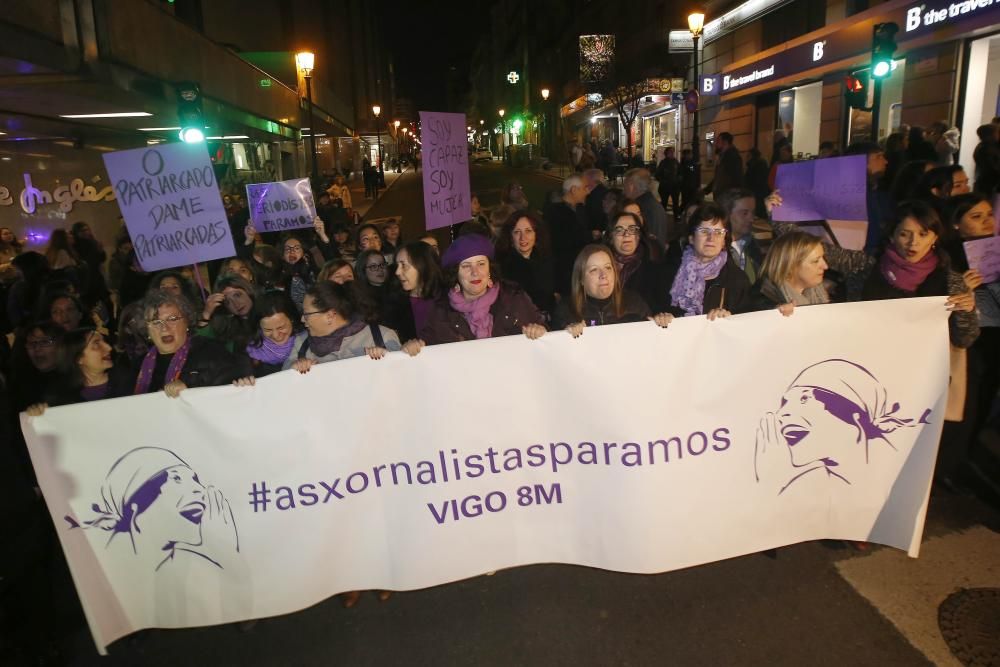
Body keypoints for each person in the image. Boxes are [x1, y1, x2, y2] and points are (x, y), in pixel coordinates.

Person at [767, 196, 979, 348]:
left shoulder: (951, 282)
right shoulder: (864, 265)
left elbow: (964, 339)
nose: (914, 242)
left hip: (918, 378)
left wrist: (965, 310)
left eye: (923, 234)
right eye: (905, 234)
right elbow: (808, 249)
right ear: (892, 235)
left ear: (934, 238)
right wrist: (776, 214)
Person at [753, 359, 929, 495]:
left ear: (856, 418)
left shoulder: (893, 483)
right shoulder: (810, 488)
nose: (782, 414)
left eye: (805, 399)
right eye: (785, 402)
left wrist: (773, 484)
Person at [67, 446, 240, 573]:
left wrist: (225, 555)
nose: (200, 489)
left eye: (195, 479)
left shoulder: (193, 568)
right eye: (177, 479)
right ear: (135, 509)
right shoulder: (112, 574)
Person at [418, 233, 546, 346]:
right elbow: (427, 350)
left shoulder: (514, 298)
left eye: (481, 264)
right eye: (466, 266)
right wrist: (415, 347)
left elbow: (546, 336)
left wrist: (539, 332)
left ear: (490, 268)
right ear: (455, 274)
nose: (475, 272)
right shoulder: (440, 310)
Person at [133, 290, 248, 397]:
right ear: (146, 329)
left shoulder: (212, 352)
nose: (164, 328)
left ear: (186, 322)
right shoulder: (134, 368)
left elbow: (230, 395)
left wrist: (191, 391)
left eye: (172, 319)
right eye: (156, 322)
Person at [552, 244, 673, 334]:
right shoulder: (566, 310)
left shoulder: (635, 303)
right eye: (594, 270)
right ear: (581, 279)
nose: (603, 275)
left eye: (608, 268)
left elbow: (654, 342)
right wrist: (566, 335)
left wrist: (663, 323)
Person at [285, 281, 400, 371]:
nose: (302, 319)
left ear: (330, 316)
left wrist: (387, 359)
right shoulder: (301, 344)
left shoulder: (381, 337)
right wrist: (294, 369)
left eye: (307, 314)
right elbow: (282, 381)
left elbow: (402, 376)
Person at [665, 202, 751, 318]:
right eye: (704, 231)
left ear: (724, 241)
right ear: (691, 238)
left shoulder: (737, 280)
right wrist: (661, 317)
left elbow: (746, 324)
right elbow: (653, 310)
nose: (711, 238)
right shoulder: (669, 273)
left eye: (718, 232)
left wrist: (730, 319)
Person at [26, 328, 131, 412]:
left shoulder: (130, 381)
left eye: (104, 342)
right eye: (96, 344)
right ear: (78, 358)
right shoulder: (59, 397)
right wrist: (40, 415)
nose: (108, 347)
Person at [746, 232, 829, 314]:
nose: (825, 266)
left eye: (823, 258)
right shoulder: (762, 300)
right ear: (790, 266)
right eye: (816, 261)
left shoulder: (820, 293)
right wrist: (775, 312)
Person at [603, 212, 670, 313]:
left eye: (632, 229)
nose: (626, 234)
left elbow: (662, 308)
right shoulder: (600, 267)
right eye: (619, 230)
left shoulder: (655, 271)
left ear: (638, 236)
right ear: (611, 238)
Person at [495, 210, 555, 316]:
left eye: (528, 231)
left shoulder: (547, 259)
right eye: (517, 232)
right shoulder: (503, 266)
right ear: (510, 237)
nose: (523, 238)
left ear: (536, 234)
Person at [545, 175, 592, 298]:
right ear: (574, 190)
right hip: (566, 272)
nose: (587, 191)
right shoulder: (555, 214)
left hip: (579, 267)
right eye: (584, 188)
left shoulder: (580, 210)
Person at [393, 240, 444, 342]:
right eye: (397, 265)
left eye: (404, 265)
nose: (397, 272)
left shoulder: (449, 299)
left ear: (423, 265)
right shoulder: (395, 304)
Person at [245, 291, 305, 377]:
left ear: (292, 319)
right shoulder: (254, 348)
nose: (276, 335)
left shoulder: (307, 340)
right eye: (268, 330)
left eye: (281, 327)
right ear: (259, 327)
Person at [196, 274, 258, 352]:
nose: (236, 303)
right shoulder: (227, 332)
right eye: (227, 302)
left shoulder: (269, 312)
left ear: (248, 291)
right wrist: (206, 313)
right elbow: (201, 342)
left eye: (237, 295)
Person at [718, 188, 764, 284]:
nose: (751, 219)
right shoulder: (715, 250)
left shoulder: (753, 246)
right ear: (727, 214)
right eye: (744, 213)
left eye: (753, 213)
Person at [623, 168, 670, 247]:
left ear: (632, 186)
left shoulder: (639, 207)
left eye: (625, 185)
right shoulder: (653, 203)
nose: (623, 190)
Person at [278, 233, 316, 311]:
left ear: (303, 253)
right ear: (283, 255)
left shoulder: (313, 272)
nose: (292, 252)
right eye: (288, 249)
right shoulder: (278, 275)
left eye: (297, 248)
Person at [706, 132, 744, 200]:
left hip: (727, 198)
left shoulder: (732, 157)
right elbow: (718, 178)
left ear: (725, 142)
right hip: (722, 196)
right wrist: (706, 190)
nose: (715, 144)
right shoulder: (723, 157)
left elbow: (736, 178)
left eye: (718, 141)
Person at [973, 123, 1000, 195]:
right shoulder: (988, 149)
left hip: (986, 183)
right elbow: (994, 167)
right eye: (997, 132)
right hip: (990, 185)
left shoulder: (982, 146)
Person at [583, 169, 610, 239]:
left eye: (583, 179)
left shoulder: (594, 196)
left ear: (590, 180)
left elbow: (594, 218)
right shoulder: (605, 192)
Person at [655, 146, 681, 221]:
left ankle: (676, 217)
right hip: (665, 187)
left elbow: (680, 172)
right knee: (664, 203)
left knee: (675, 203)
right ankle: (662, 218)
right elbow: (657, 175)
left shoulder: (676, 162)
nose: (672, 153)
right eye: (670, 152)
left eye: (673, 152)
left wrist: (678, 180)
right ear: (666, 153)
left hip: (674, 186)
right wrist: (664, 181)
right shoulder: (663, 163)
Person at [745, 148, 770, 217]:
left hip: (756, 192)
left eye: (748, 155)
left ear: (752, 156)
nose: (746, 157)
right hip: (760, 191)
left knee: (758, 211)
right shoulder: (761, 163)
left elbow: (753, 179)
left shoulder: (754, 164)